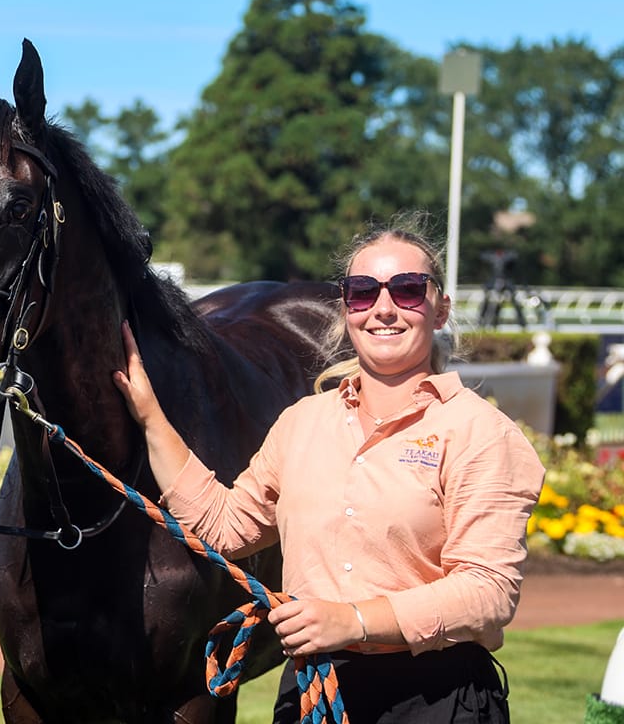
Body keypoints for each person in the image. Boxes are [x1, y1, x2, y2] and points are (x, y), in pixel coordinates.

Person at [113, 214, 545, 722]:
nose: (383, 309)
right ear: (346, 309)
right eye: (363, 292)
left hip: (433, 698)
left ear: (440, 308)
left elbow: (487, 591)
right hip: (312, 694)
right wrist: (148, 414)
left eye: (407, 289)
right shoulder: (302, 422)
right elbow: (223, 527)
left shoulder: (480, 432)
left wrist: (354, 621)